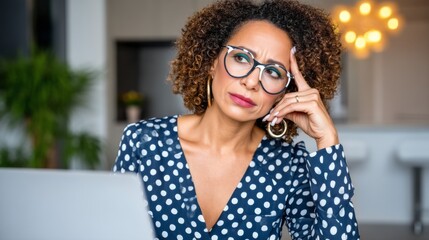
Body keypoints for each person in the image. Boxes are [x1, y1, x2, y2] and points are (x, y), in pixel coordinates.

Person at [113, 0, 360, 239]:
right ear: (212, 62)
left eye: (273, 72)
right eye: (241, 58)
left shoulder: (288, 165)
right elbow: (113, 230)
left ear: (285, 93)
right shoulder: (143, 142)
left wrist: (327, 140)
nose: (251, 82)